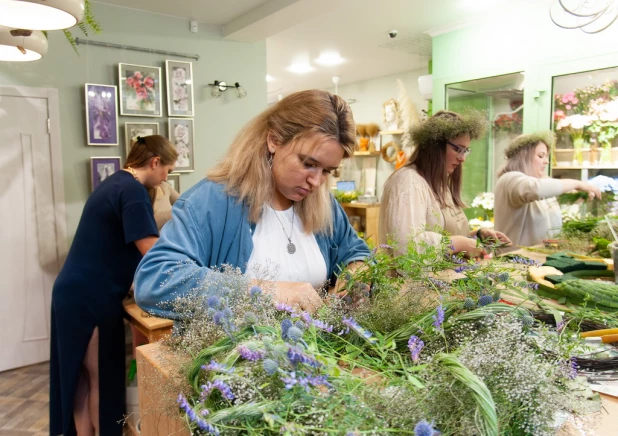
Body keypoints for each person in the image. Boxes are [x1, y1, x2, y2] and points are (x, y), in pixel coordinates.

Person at [134, 90, 371, 318]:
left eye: (327, 171)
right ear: (274, 140)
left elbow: (356, 252)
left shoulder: (323, 203)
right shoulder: (212, 201)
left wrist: (356, 275)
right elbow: (155, 281)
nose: (316, 181)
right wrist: (265, 291)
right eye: (308, 163)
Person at [50, 135, 178, 436]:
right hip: (91, 296)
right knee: (100, 378)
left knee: (80, 378)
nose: (165, 180)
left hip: (73, 293)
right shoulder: (132, 190)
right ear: (155, 162)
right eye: (168, 172)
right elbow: (150, 247)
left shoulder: (115, 183)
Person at [379, 110, 511, 257]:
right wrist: (461, 243)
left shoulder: (439, 183)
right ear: (434, 145)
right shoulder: (408, 182)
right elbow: (407, 247)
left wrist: (477, 236)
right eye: (457, 149)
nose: (462, 158)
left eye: (465, 151)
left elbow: (443, 235)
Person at [494, 132, 602, 246]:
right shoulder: (510, 179)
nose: (546, 161)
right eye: (541, 156)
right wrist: (577, 184)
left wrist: (574, 197)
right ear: (523, 157)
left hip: (536, 259)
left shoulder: (536, 183)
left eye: (546, 156)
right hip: (513, 260)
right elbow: (536, 189)